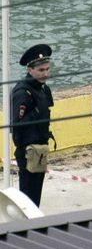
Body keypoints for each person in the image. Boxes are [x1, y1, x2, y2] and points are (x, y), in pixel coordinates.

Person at [11, 44, 54, 206]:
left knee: (36, 197)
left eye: (47, 69)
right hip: (28, 151)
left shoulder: (43, 89)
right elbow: (17, 124)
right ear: (30, 70)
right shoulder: (23, 92)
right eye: (41, 70)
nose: (45, 74)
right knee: (27, 199)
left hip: (41, 149)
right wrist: (35, 112)